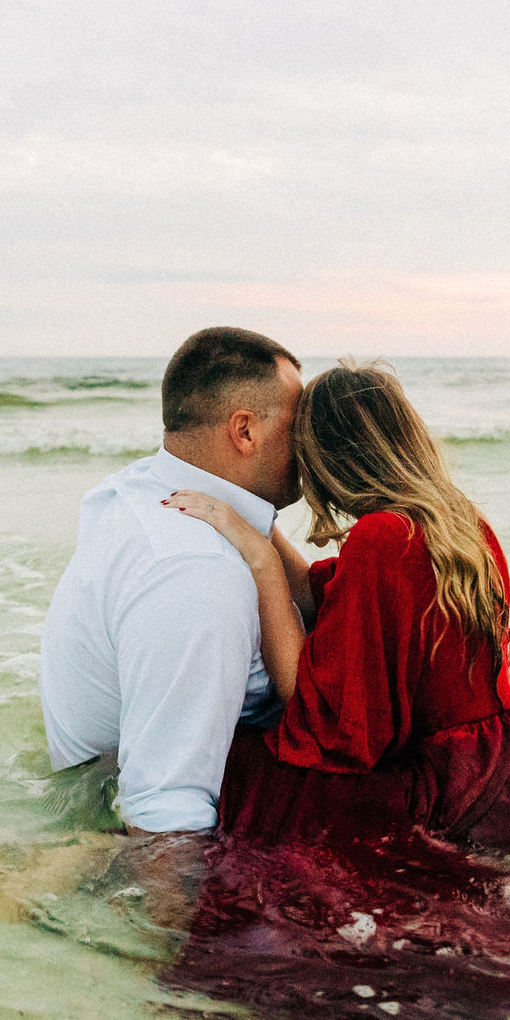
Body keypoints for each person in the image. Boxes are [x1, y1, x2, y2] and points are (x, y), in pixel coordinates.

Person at [165, 359, 510, 852]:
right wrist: (253, 516)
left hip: (451, 793)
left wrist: (260, 559)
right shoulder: (457, 519)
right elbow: (321, 594)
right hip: (499, 772)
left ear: (328, 458)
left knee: (226, 766)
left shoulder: (382, 538)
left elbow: (315, 712)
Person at [38, 326, 313, 834]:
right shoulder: (197, 571)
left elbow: (317, 599)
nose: (311, 444)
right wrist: (168, 914)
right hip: (107, 815)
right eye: (300, 426)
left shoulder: (149, 486)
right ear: (245, 430)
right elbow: (164, 809)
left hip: (93, 782)